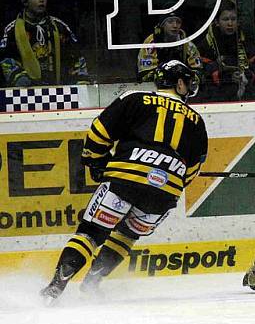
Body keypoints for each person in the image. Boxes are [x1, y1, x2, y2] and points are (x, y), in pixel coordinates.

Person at [39, 60, 207, 305]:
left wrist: (96, 161)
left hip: (125, 177)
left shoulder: (135, 98)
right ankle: (92, 284)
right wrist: (167, 180)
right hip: (164, 193)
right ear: (180, 83)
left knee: (91, 233)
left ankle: (56, 287)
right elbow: (191, 172)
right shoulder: (196, 121)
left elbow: (99, 131)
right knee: (126, 237)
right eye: (188, 81)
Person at [0, 0, 89, 87]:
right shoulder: (12, 30)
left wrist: (81, 82)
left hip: (59, 91)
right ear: (25, 1)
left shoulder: (59, 27)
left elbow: (76, 55)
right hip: (25, 92)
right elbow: (5, 57)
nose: (41, 0)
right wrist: (18, 77)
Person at [196, 1, 255, 101]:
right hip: (215, 95)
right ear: (216, 22)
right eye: (225, 19)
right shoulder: (206, 43)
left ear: (239, 21)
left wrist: (244, 75)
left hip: (246, 92)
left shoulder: (246, 40)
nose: (230, 23)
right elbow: (202, 71)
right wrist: (226, 75)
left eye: (233, 19)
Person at [137, 13, 203, 82]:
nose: (175, 26)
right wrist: (163, 74)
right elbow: (145, 74)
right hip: (157, 86)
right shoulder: (152, 42)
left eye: (178, 22)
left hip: (181, 86)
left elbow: (198, 70)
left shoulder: (186, 43)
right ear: (162, 25)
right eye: (170, 22)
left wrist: (187, 75)